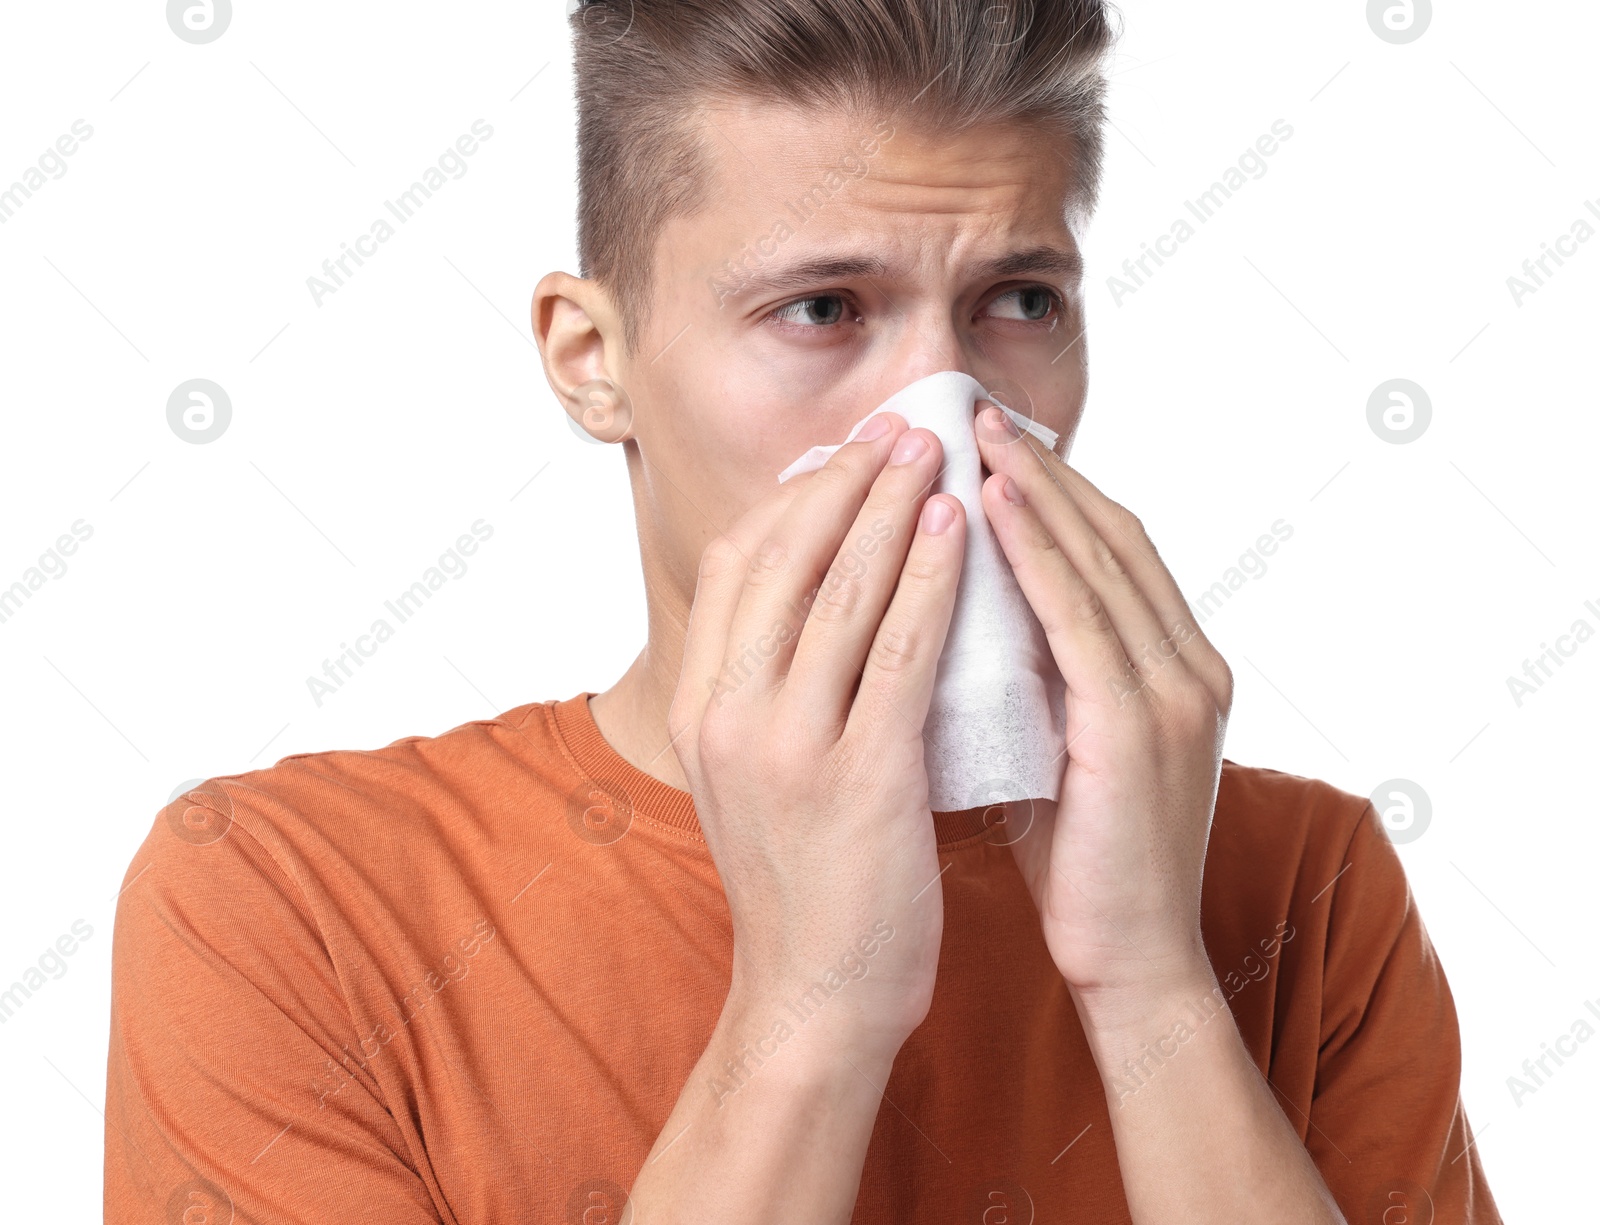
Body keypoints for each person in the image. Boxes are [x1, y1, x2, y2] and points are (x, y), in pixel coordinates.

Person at [105, 2, 1502, 1221]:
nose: (947, 421)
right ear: (594, 363)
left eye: (1019, 298)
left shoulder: (1300, 881)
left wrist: (1154, 983)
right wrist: (808, 1018)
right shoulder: (287, 904)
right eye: (825, 308)